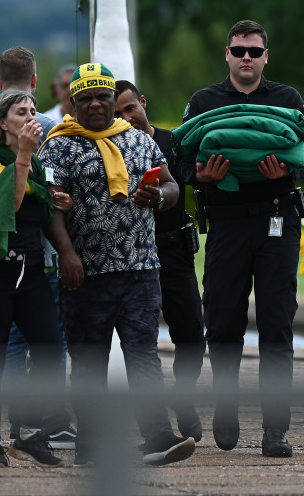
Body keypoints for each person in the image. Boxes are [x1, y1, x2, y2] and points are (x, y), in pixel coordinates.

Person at [40, 62, 195, 467]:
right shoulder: (58, 146)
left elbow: (171, 184)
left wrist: (158, 197)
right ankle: (90, 445)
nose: (95, 104)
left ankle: (158, 436)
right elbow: (49, 205)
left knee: (143, 355)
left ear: (113, 100)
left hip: (141, 268)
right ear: (72, 103)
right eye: (85, 98)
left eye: (102, 97)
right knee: (89, 361)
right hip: (84, 273)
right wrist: (67, 254)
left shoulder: (139, 141)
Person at [177, 20, 304, 458]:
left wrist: (290, 172)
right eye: (239, 51)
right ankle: (225, 407)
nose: (246, 59)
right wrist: (198, 175)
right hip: (226, 222)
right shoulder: (204, 102)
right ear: (227, 54)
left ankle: (276, 429)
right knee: (222, 323)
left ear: (266, 57)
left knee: (277, 326)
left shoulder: (288, 99)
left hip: (278, 222)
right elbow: (177, 158)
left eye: (255, 52)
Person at [0, 89, 73, 469]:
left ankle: (30, 437)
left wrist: (57, 201)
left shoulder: (35, 163)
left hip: (30, 271)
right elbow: (11, 201)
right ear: (3, 122)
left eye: (34, 110)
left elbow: (36, 203)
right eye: (22, 111)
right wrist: (24, 155)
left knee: (52, 350)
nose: (31, 116)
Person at [114, 79, 205, 442]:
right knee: (142, 342)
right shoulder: (111, 149)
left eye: (130, 108)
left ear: (143, 102)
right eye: (117, 112)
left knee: (192, 336)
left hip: (174, 251)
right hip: (134, 254)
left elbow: (196, 180)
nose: (126, 117)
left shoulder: (173, 143)